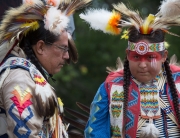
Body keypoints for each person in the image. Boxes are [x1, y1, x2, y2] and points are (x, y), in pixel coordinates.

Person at [79, 0, 180, 137]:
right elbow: (95, 131)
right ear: (128, 55)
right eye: (136, 57)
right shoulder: (112, 86)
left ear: (164, 56)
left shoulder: (178, 81)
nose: (143, 65)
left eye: (151, 57)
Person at [0, 0, 91, 137]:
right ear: (41, 47)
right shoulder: (20, 80)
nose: (67, 56)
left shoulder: (28, 75)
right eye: (62, 48)